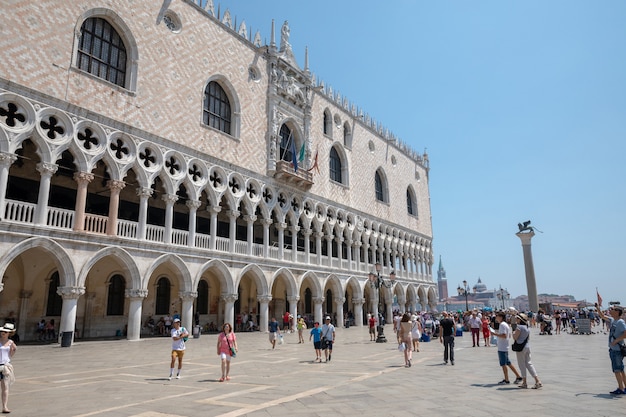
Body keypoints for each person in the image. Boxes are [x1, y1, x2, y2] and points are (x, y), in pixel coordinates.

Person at [596, 303, 626, 395]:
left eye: (613, 309)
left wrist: (616, 340)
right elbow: (602, 316)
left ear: (617, 312)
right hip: (613, 349)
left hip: (617, 349)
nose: (610, 310)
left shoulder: (620, 322)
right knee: (620, 369)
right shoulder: (613, 320)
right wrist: (598, 308)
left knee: (617, 370)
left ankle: (621, 388)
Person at [490, 311, 522, 384]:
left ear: (501, 317)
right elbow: (509, 335)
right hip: (504, 345)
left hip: (502, 347)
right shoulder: (506, 325)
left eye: (497, 316)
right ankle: (518, 376)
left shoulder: (502, 325)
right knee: (508, 363)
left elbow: (504, 335)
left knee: (503, 364)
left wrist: (495, 334)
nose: (496, 317)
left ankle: (507, 379)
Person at [512, 313, 542, 389]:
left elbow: (515, 337)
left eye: (517, 318)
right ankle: (537, 380)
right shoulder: (527, 327)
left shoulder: (519, 327)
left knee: (521, 364)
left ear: (520, 319)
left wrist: (513, 333)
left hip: (520, 347)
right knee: (529, 363)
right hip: (527, 346)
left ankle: (524, 382)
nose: (516, 319)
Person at [0, 323, 17, 414]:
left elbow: (10, 355)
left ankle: (5, 407)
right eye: (2, 331)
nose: (3, 332)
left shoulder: (10, 342)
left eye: (6, 332)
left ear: (9, 333)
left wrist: (13, 349)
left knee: (5, 387)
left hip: (5, 366)